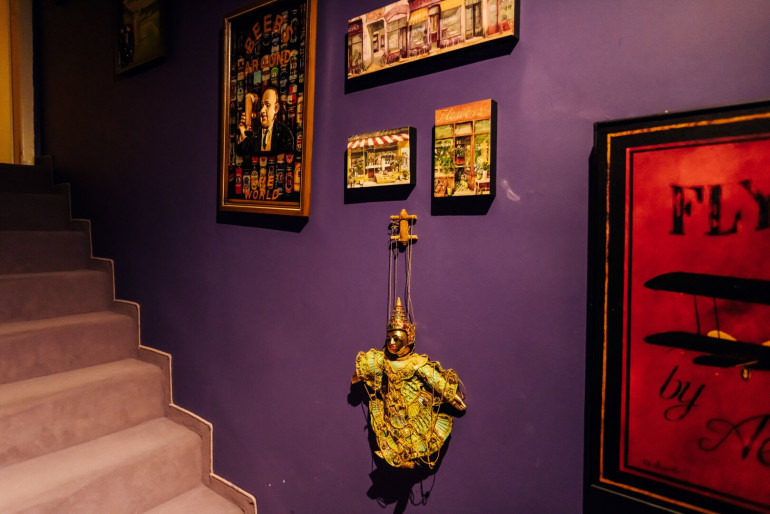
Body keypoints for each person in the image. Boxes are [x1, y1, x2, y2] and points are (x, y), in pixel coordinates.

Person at [352, 298, 466, 469]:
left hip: (415, 410)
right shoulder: (384, 360)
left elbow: (434, 379)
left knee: (415, 436)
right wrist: (361, 374)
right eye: (389, 339)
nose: (391, 343)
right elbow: (365, 368)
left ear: (409, 338)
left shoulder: (416, 363)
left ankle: (410, 459)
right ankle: (397, 458)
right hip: (392, 411)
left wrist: (450, 396)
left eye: (396, 339)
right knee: (392, 434)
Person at [237, 86, 294, 157]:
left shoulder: (284, 133)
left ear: (276, 108)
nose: (262, 110)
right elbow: (242, 153)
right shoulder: (256, 133)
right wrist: (242, 131)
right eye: (262, 106)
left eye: (267, 105)